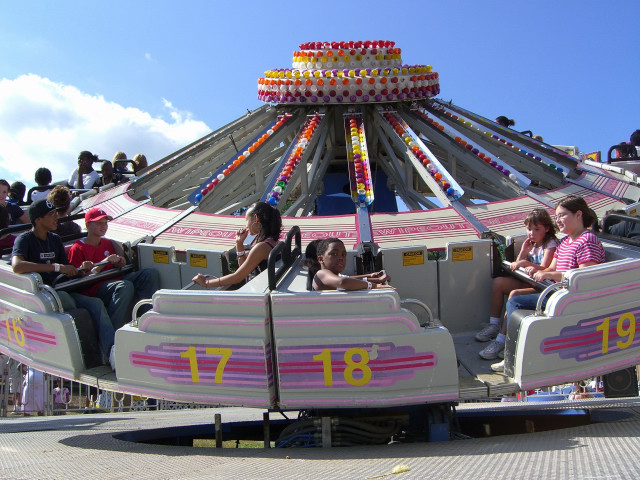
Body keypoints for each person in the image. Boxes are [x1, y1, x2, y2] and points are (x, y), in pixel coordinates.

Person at [491, 195, 606, 372]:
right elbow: (551, 268)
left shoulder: (587, 240)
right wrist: (538, 271)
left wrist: (548, 274)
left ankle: (513, 355)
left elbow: (585, 275)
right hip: (555, 293)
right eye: (557, 216)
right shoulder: (565, 242)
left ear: (578, 214)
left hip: (570, 299)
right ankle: (509, 348)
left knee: (516, 301)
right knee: (515, 297)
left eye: (562, 215)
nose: (558, 221)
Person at [11, 199, 116, 369]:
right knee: (77, 308)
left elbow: (68, 269)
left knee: (95, 304)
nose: (56, 218)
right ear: (38, 219)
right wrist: (56, 267)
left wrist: (82, 269)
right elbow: (17, 265)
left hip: (63, 289)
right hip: (44, 295)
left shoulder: (54, 239)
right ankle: (88, 357)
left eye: (56, 214)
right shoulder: (24, 240)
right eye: (51, 214)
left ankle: (110, 353)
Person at [476, 208, 558, 359]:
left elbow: (545, 269)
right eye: (529, 229)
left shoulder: (550, 244)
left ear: (547, 229)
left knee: (514, 295)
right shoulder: (531, 244)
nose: (531, 233)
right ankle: (494, 324)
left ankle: (503, 338)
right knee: (499, 283)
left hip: (541, 288)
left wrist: (525, 262)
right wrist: (523, 253)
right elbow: (516, 265)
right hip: (530, 283)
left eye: (536, 229)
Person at [68, 207, 160, 330]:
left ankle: (145, 318)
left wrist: (119, 263)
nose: (104, 226)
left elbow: (115, 266)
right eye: (99, 223)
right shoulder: (78, 248)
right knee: (124, 286)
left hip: (114, 278)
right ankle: (117, 330)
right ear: (88, 225)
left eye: (105, 223)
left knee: (150, 274)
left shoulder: (107, 243)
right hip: (95, 287)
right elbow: (80, 278)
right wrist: (104, 263)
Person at [192, 202, 282, 289]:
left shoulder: (261, 247)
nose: (246, 225)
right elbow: (244, 268)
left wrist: (206, 283)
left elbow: (238, 277)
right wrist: (239, 244)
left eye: (246, 220)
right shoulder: (271, 241)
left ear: (256, 218)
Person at [305, 237, 393, 291]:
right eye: (334, 254)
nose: (340, 258)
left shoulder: (334, 275)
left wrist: (374, 277)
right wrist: (374, 286)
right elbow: (343, 282)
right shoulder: (322, 273)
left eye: (343, 255)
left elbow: (349, 279)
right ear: (320, 259)